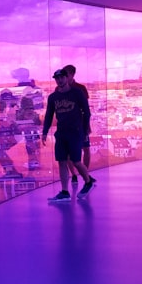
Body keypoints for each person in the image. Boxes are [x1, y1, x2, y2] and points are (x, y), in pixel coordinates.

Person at [42, 69, 95, 201]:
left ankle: (88, 182)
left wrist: (84, 129)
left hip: (75, 132)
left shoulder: (77, 93)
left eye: (62, 77)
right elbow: (49, 115)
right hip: (61, 133)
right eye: (57, 78)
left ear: (67, 78)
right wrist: (44, 131)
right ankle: (65, 191)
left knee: (76, 161)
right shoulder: (53, 97)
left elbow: (87, 112)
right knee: (62, 161)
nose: (59, 80)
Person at [61, 64, 95, 185]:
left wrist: (87, 126)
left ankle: (85, 173)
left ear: (72, 74)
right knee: (70, 152)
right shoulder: (62, 88)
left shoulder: (80, 88)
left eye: (66, 74)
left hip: (79, 124)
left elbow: (85, 110)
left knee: (85, 149)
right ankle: (76, 175)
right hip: (68, 125)